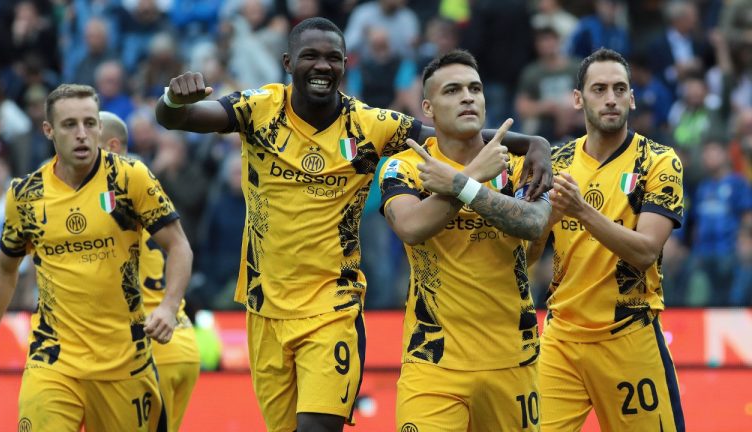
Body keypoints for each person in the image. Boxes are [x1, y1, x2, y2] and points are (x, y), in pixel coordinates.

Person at [155, 17, 551, 431]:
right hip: (265, 305)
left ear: (346, 64)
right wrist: (173, 99)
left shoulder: (371, 125)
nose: (322, 66)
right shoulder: (258, 109)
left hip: (333, 304)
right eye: (310, 56)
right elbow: (176, 119)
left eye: (332, 58)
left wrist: (533, 144)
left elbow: (452, 131)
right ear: (288, 62)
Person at [0, 84, 193, 431]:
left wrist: (170, 306)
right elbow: (5, 269)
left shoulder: (129, 179)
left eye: (89, 123)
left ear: (99, 126)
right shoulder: (26, 195)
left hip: (124, 362)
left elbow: (179, 245)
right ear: (48, 131)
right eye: (69, 125)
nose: (82, 134)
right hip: (53, 358)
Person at [378, 49, 551, 431]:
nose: (468, 97)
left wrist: (462, 183)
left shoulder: (519, 164)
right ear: (428, 107)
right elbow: (409, 226)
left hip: (513, 360)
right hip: (433, 363)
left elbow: (535, 223)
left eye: (475, 88)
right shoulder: (406, 166)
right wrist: (474, 176)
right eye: (453, 90)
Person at [527, 48, 685, 431]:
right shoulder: (558, 163)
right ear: (578, 99)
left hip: (629, 335)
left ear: (632, 97)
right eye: (599, 89)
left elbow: (646, 251)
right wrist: (544, 219)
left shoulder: (659, 161)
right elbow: (527, 256)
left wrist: (581, 211)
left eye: (619, 89)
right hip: (562, 337)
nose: (610, 98)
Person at [100, 110, 201, 431]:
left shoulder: (113, 196)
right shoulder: (153, 197)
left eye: (91, 136)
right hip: (182, 341)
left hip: (150, 343)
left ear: (113, 146)